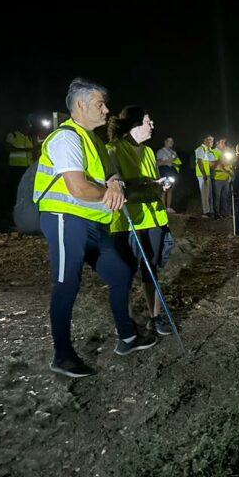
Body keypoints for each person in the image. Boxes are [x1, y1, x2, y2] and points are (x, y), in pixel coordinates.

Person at [33, 78, 155, 378]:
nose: (106, 110)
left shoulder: (95, 141)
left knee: (121, 273)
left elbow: (110, 175)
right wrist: (111, 193)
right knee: (67, 283)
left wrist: (114, 183)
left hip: (94, 223)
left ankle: (127, 337)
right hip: (66, 219)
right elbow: (78, 188)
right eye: (100, 104)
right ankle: (62, 356)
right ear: (80, 105)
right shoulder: (67, 138)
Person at [107, 106, 174, 337]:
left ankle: (155, 318)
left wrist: (160, 186)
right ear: (135, 125)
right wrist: (148, 186)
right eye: (148, 121)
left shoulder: (148, 152)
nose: (152, 125)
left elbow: (153, 183)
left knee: (151, 270)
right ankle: (125, 324)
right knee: (124, 273)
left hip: (153, 219)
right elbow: (116, 187)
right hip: (126, 221)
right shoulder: (113, 149)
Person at [156, 136, 181, 213]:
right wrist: (166, 161)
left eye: (172, 141)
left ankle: (168, 207)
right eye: (169, 141)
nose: (171, 143)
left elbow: (178, 163)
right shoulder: (161, 151)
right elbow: (157, 163)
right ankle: (163, 207)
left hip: (171, 171)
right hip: (164, 170)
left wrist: (173, 163)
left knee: (170, 189)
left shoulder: (174, 152)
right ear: (165, 142)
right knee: (164, 189)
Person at [211, 138, 233, 218]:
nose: (224, 144)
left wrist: (230, 173)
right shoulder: (213, 152)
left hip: (226, 178)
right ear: (217, 143)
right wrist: (228, 172)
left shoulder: (225, 152)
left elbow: (229, 164)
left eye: (224, 142)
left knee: (225, 196)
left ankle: (224, 213)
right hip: (217, 177)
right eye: (222, 142)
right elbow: (217, 165)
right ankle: (216, 214)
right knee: (217, 196)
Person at [195, 135, 215, 217]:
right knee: (205, 194)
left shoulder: (208, 150)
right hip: (202, 175)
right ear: (205, 140)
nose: (212, 142)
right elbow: (200, 162)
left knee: (208, 194)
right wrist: (204, 174)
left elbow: (211, 163)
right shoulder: (201, 149)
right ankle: (206, 212)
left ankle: (209, 211)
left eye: (212, 140)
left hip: (207, 174)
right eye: (210, 140)